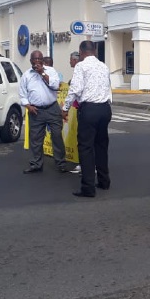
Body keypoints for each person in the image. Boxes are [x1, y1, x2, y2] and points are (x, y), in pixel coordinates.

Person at [62, 40, 112, 198]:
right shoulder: (104, 66)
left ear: (81, 52)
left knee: (86, 148)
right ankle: (104, 181)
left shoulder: (81, 66)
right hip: (105, 109)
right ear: (95, 51)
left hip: (89, 110)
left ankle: (88, 187)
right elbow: (108, 87)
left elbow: (75, 89)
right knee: (101, 146)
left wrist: (65, 108)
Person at [19, 50, 67, 174]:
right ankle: (36, 164)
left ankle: (60, 163)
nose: (37, 62)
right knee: (35, 139)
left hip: (52, 108)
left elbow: (56, 85)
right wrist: (28, 106)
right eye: (35, 60)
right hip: (36, 111)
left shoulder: (50, 71)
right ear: (30, 61)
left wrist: (42, 73)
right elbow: (22, 94)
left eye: (40, 59)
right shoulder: (26, 75)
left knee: (56, 136)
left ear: (43, 61)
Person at [63, 51, 82, 174]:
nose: (69, 62)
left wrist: (65, 108)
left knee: (83, 138)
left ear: (75, 60)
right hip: (88, 108)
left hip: (83, 108)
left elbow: (74, 91)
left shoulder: (79, 70)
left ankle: (84, 165)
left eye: (70, 59)